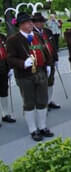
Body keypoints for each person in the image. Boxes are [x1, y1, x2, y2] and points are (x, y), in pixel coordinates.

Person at [6, 12, 54, 141]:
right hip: (24, 75)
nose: (30, 24)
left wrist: (48, 64)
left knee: (42, 101)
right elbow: (10, 59)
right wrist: (22, 63)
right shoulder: (13, 40)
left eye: (30, 22)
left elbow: (45, 50)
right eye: (26, 23)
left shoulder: (38, 36)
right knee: (29, 103)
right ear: (20, 25)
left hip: (40, 72)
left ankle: (42, 126)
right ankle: (33, 129)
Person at [32, 12, 61, 110]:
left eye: (42, 21)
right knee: (42, 84)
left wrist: (56, 58)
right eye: (38, 22)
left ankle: (49, 100)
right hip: (42, 63)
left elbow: (53, 46)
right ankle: (42, 103)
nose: (41, 24)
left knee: (51, 82)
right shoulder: (32, 34)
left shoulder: (47, 31)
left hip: (51, 60)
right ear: (34, 23)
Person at [0, 30, 16, 126]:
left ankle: (5, 114)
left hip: (3, 68)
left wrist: (10, 67)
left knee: (4, 92)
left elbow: (8, 52)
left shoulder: (2, 37)